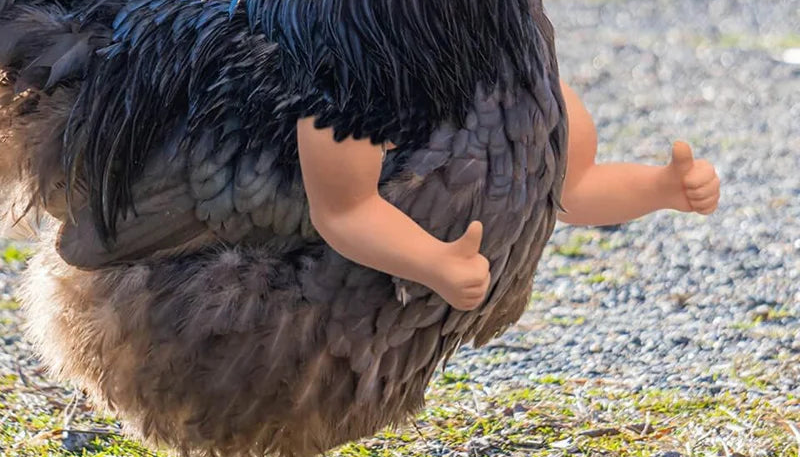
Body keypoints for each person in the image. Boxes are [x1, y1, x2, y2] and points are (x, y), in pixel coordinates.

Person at [297, 79, 721, 312]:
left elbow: (573, 186)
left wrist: (660, 188)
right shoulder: (350, 78)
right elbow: (344, 207)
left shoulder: (535, 85)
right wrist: (432, 261)